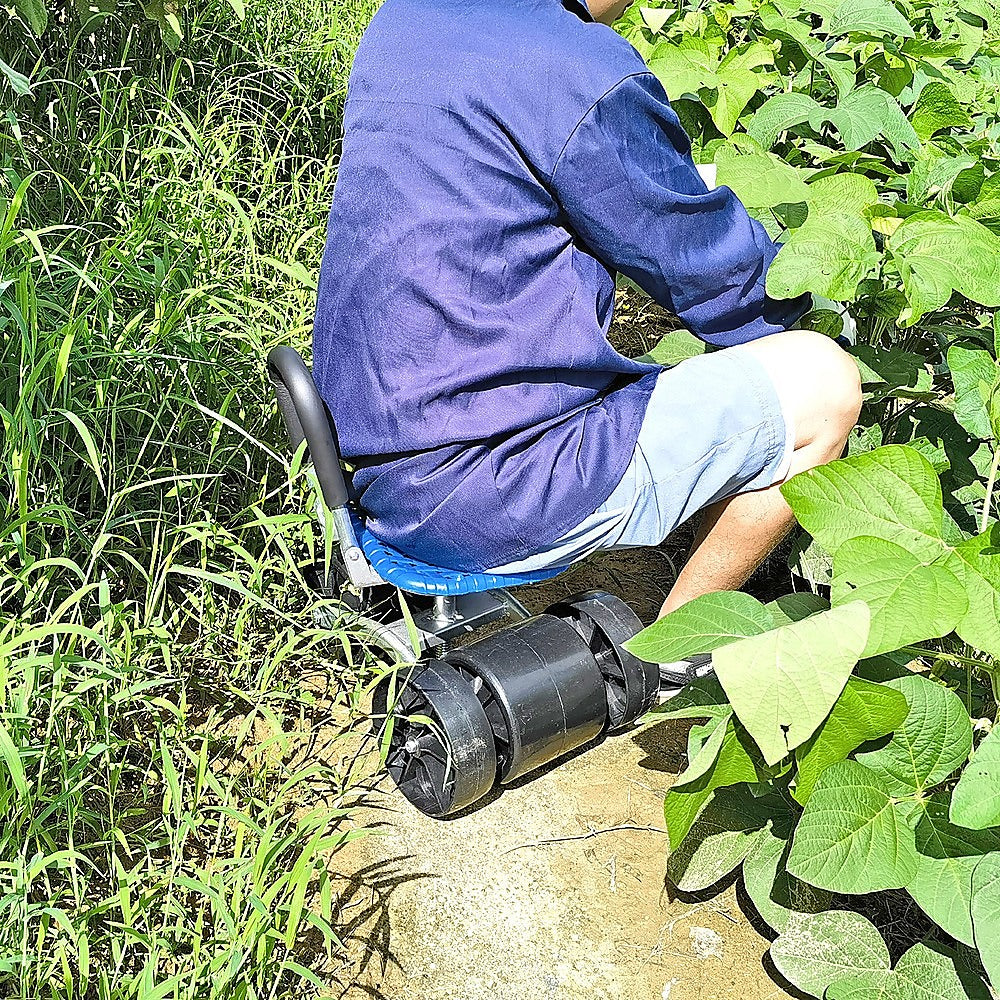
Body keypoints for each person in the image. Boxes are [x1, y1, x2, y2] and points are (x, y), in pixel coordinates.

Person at [312, 0, 862, 683]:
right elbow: (715, 277)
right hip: (486, 489)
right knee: (824, 384)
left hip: (364, 464)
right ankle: (669, 661)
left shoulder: (410, 15)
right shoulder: (578, 67)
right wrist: (826, 296)